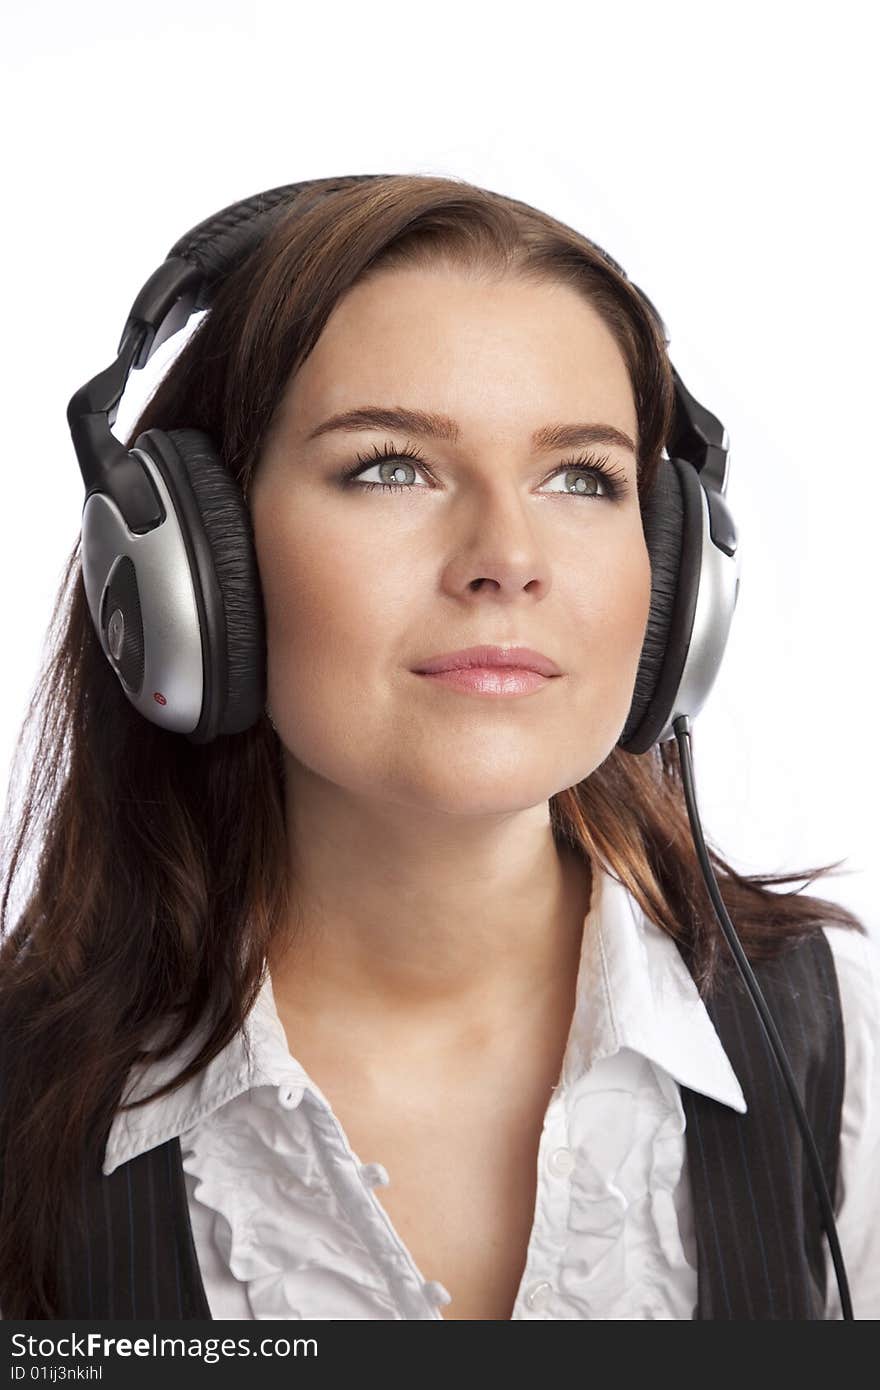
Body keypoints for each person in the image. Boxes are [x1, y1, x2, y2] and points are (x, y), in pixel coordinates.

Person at [0, 174, 876, 1321]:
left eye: (581, 477)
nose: (506, 557)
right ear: (188, 571)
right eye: (389, 466)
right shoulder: (26, 1099)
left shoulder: (843, 1044)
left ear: (677, 581)